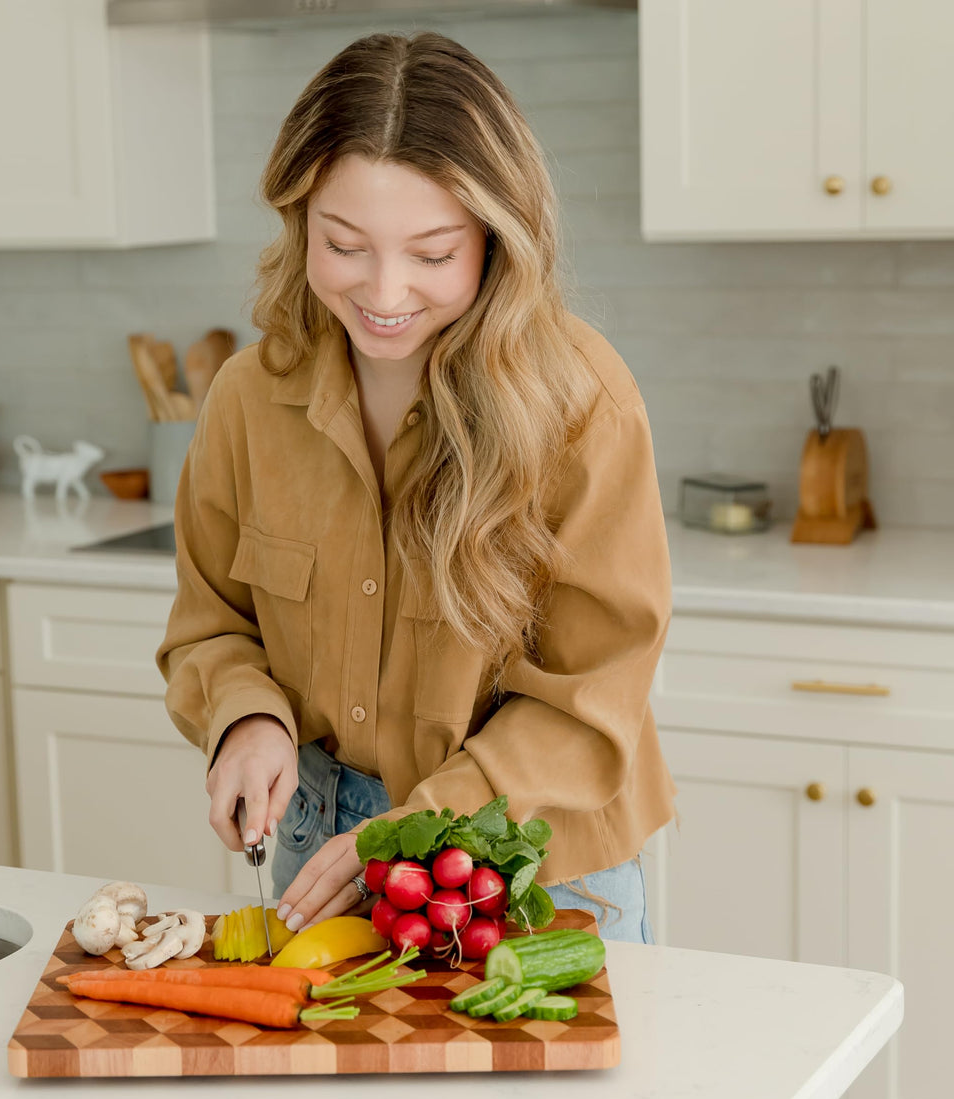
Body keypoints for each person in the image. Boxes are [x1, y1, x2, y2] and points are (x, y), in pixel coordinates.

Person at [158, 31, 676, 945]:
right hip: (322, 850)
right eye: (344, 245)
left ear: (497, 239)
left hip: (525, 866)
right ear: (299, 220)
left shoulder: (581, 401)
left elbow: (593, 697)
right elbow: (212, 622)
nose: (386, 291)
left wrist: (420, 827)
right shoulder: (248, 397)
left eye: (433, 255)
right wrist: (245, 719)